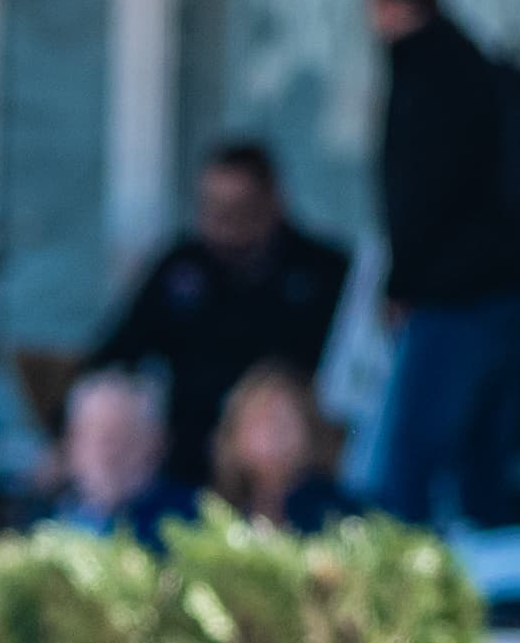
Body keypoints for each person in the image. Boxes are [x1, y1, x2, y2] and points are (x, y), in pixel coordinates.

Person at [366, 0, 520, 528]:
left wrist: (403, 280)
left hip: (456, 294)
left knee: (411, 464)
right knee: (483, 467)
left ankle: (407, 603)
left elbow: (420, 189)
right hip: (511, 286)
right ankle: (495, 598)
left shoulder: (426, 69)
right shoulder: (474, 63)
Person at [83, 139, 350, 490]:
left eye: (239, 209)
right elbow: (116, 353)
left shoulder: (322, 273)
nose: (223, 223)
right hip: (189, 464)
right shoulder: (182, 268)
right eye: (212, 207)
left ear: (274, 202)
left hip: (288, 469)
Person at [47, 369, 200, 549]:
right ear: (71, 443)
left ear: (157, 444)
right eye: (93, 433)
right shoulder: (45, 519)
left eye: (123, 435)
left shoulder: (188, 524)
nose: (107, 451)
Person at [204, 362, 355, 536]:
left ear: (311, 431)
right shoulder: (218, 516)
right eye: (260, 420)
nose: (273, 434)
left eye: (283, 420)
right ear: (233, 436)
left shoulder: (340, 516)